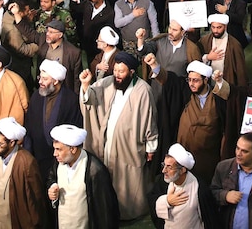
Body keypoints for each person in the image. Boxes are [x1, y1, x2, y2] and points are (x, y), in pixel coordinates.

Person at [79, 52, 158, 220]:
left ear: (131, 72)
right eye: (115, 70)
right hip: (107, 145)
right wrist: (86, 85)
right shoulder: (108, 83)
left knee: (126, 182)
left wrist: (151, 146)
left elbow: (149, 119)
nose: (117, 75)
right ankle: (106, 211)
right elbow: (91, 97)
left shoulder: (143, 91)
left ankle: (127, 213)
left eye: (121, 72)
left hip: (128, 147)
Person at [146, 55, 233, 182]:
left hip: (208, 158)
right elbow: (168, 79)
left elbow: (231, 97)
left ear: (205, 80)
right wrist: (154, 65)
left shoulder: (217, 99)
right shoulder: (185, 91)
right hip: (184, 156)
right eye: (189, 79)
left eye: (196, 80)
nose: (191, 83)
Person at [47, 124, 120, 229]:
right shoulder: (59, 163)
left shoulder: (95, 170)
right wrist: (52, 187)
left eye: (59, 149)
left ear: (72, 149)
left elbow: (104, 211)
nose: (55, 154)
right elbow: (51, 177)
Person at [24, 59, 81, 181]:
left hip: (60, 162)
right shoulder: (36, 97)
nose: (40, 81)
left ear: (55, 81)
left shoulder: (71, 100)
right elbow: (28, 128)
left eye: (45, 79)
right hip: (37, 159)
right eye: (40, 77)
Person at [149, 142, 220, 229]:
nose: (164, 170)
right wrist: (167, 201)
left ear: (182, 170)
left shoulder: (199, 188)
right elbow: (152, 201)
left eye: (169, 167)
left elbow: (209, 219)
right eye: (164, 165)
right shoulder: (162, 182)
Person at [199, 13, 247, 88]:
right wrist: (207, 57)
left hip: (227, 83)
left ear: (225, 26)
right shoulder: (204, 41)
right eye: (213, 27)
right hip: (209, 84)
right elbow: (196, 61)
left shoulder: (234, 45)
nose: (215, 30)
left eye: (219, 27)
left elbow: (240, 71)